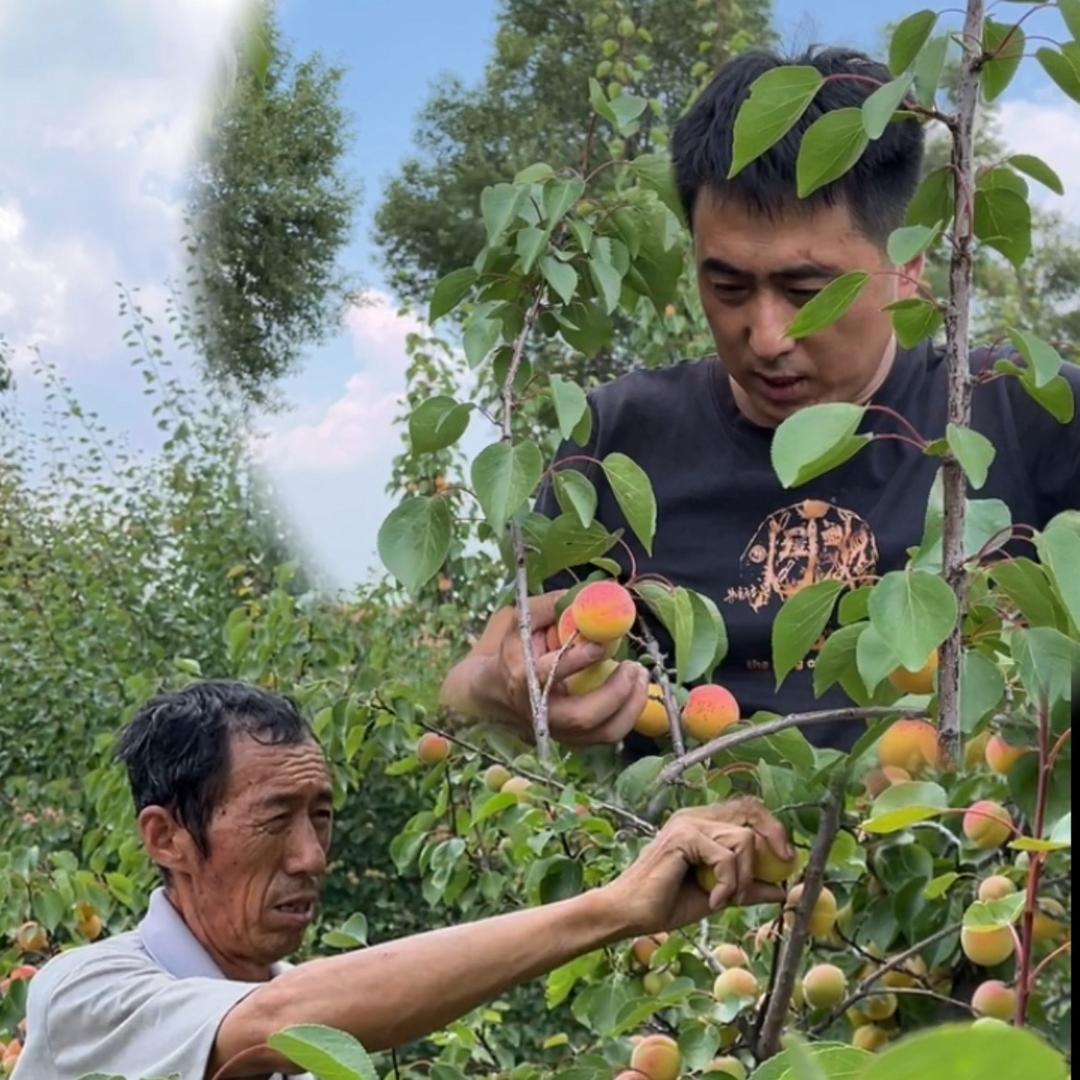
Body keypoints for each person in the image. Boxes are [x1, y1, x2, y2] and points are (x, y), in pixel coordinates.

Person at [440, 46, 1080, 754]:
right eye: (728, 288)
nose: (767, 337)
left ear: (910, 268)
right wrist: (509, 692)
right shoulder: (621, 437)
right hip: (694, 851)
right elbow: (474, 673)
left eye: (808, 293)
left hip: (968, 860)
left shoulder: (1019, 409)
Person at [15, 680, 793, 1080]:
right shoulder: (86, 993)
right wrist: (615, 908)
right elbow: (275, 1019)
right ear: (168, 838)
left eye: (320, 816)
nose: (312, 856)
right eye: (274, 816)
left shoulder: (312, 1023)